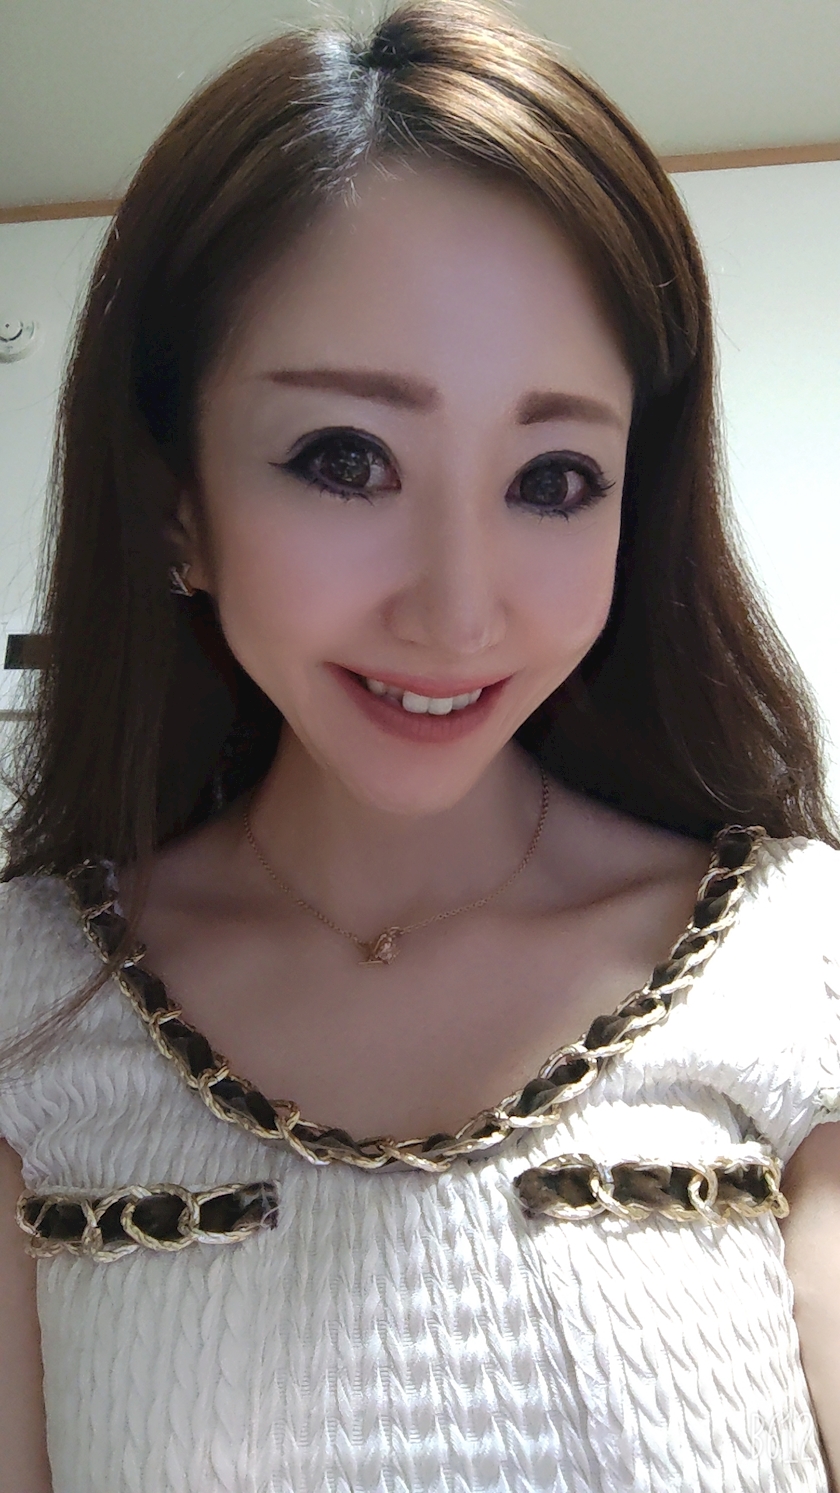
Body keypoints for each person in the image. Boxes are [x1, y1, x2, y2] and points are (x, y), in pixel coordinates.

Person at [0, 0, 838, 1488]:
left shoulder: (799, 969)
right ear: (177, 500)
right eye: (346, 459)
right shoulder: (27, 1016)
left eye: (555, 477)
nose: (457, 612)